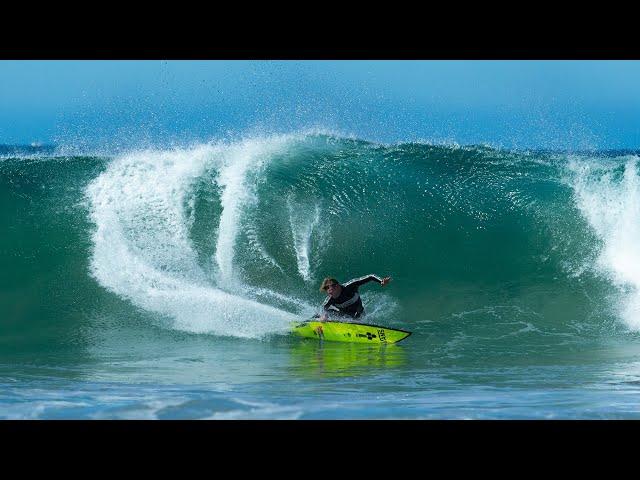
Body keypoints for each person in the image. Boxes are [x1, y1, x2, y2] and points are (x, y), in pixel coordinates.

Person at [317, 274, 392, 321]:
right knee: (325, 313)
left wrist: (381, 281)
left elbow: (370, 277)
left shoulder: (350, 286)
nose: (327, 290)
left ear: (336, 285)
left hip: (359, 313)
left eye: (328, 287)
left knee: (358, 317)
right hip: (344, 316)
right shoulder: (329, 299)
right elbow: (322, 309)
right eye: (326, 289)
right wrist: (323, 316)